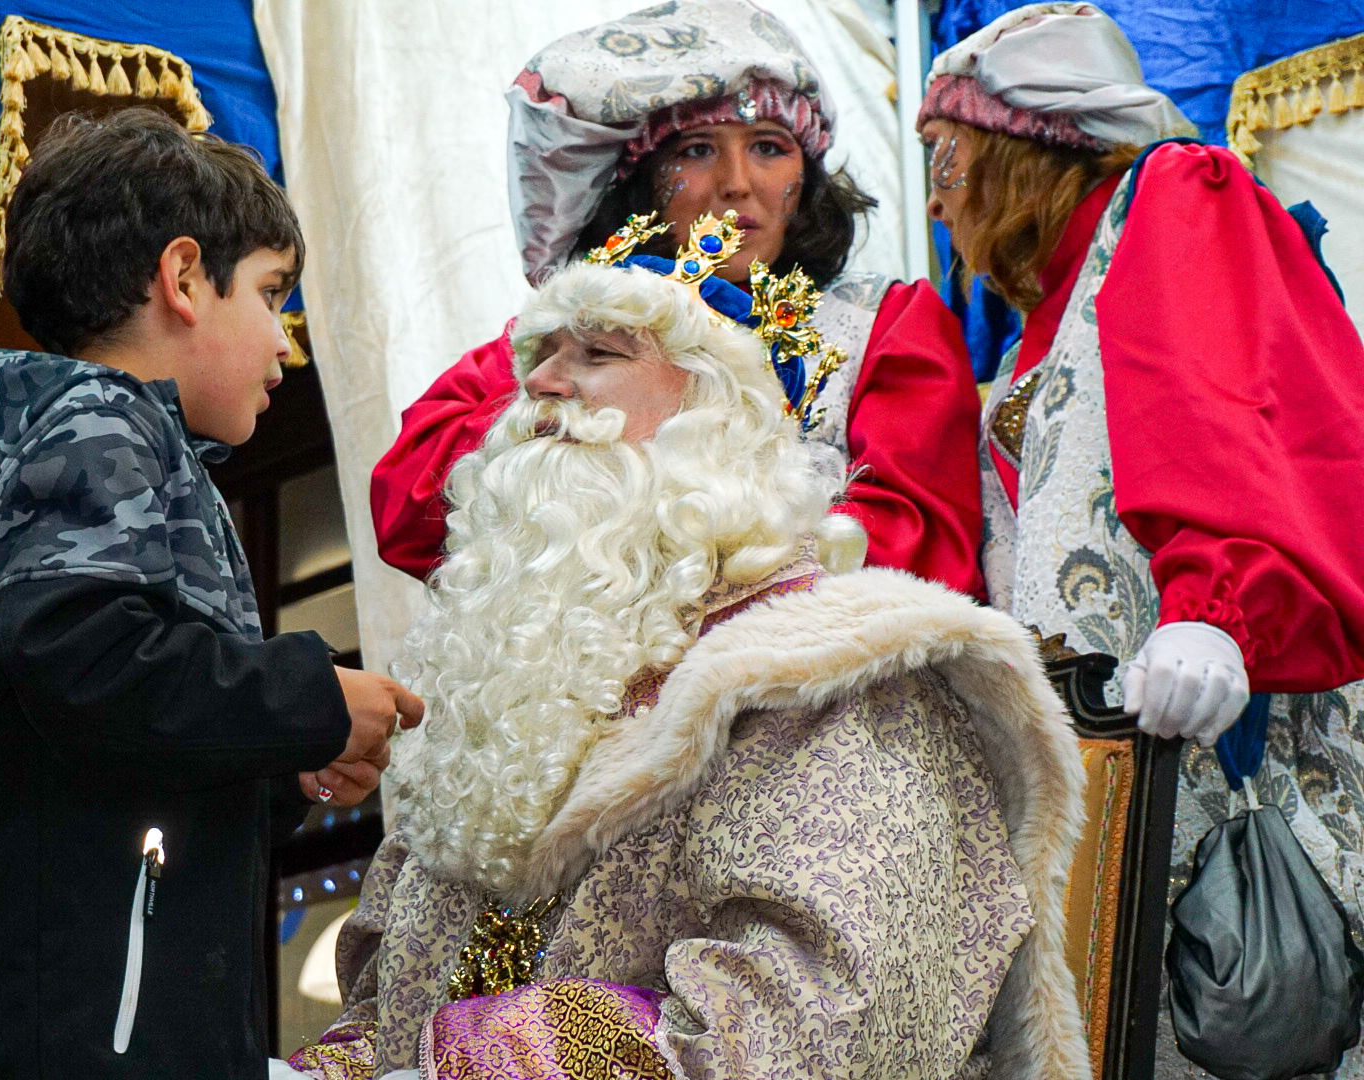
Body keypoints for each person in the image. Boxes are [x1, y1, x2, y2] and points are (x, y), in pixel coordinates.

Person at [285, 252, 1089, 1080]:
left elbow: (804, 1022)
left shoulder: (827, 671)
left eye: (600, 354)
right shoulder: (505, 682)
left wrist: (473, 1063)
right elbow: (386, 1007)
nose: (546, 383)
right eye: (542, 356)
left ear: (715, 414)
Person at [0, 108, 423, 1080]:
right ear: (184, 278)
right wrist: (308, 696)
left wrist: (283, 758)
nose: (286, 345)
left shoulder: (109, 447)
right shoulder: (94, 432)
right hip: (76, 1036)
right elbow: (90, 663)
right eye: (274, 294)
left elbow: (123, 742)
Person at [918, 4, 1364, 1068]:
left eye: (946, 156)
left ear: (1022, 144)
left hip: (1217, 723)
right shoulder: (1043, 312)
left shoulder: (1177, 194)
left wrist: (1219, 608)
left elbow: (1229, 401)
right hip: (1116, 776)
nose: (936, 196)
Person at [370, 0, 986, 597]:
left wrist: (685, 568)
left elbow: (919, 542)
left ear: (808, 177)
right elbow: (410, 505)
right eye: (696, 151)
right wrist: (591, 384)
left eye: (770, 147)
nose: (737, 184)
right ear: (639, 181)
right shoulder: (558, 338)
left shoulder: (883, 322)